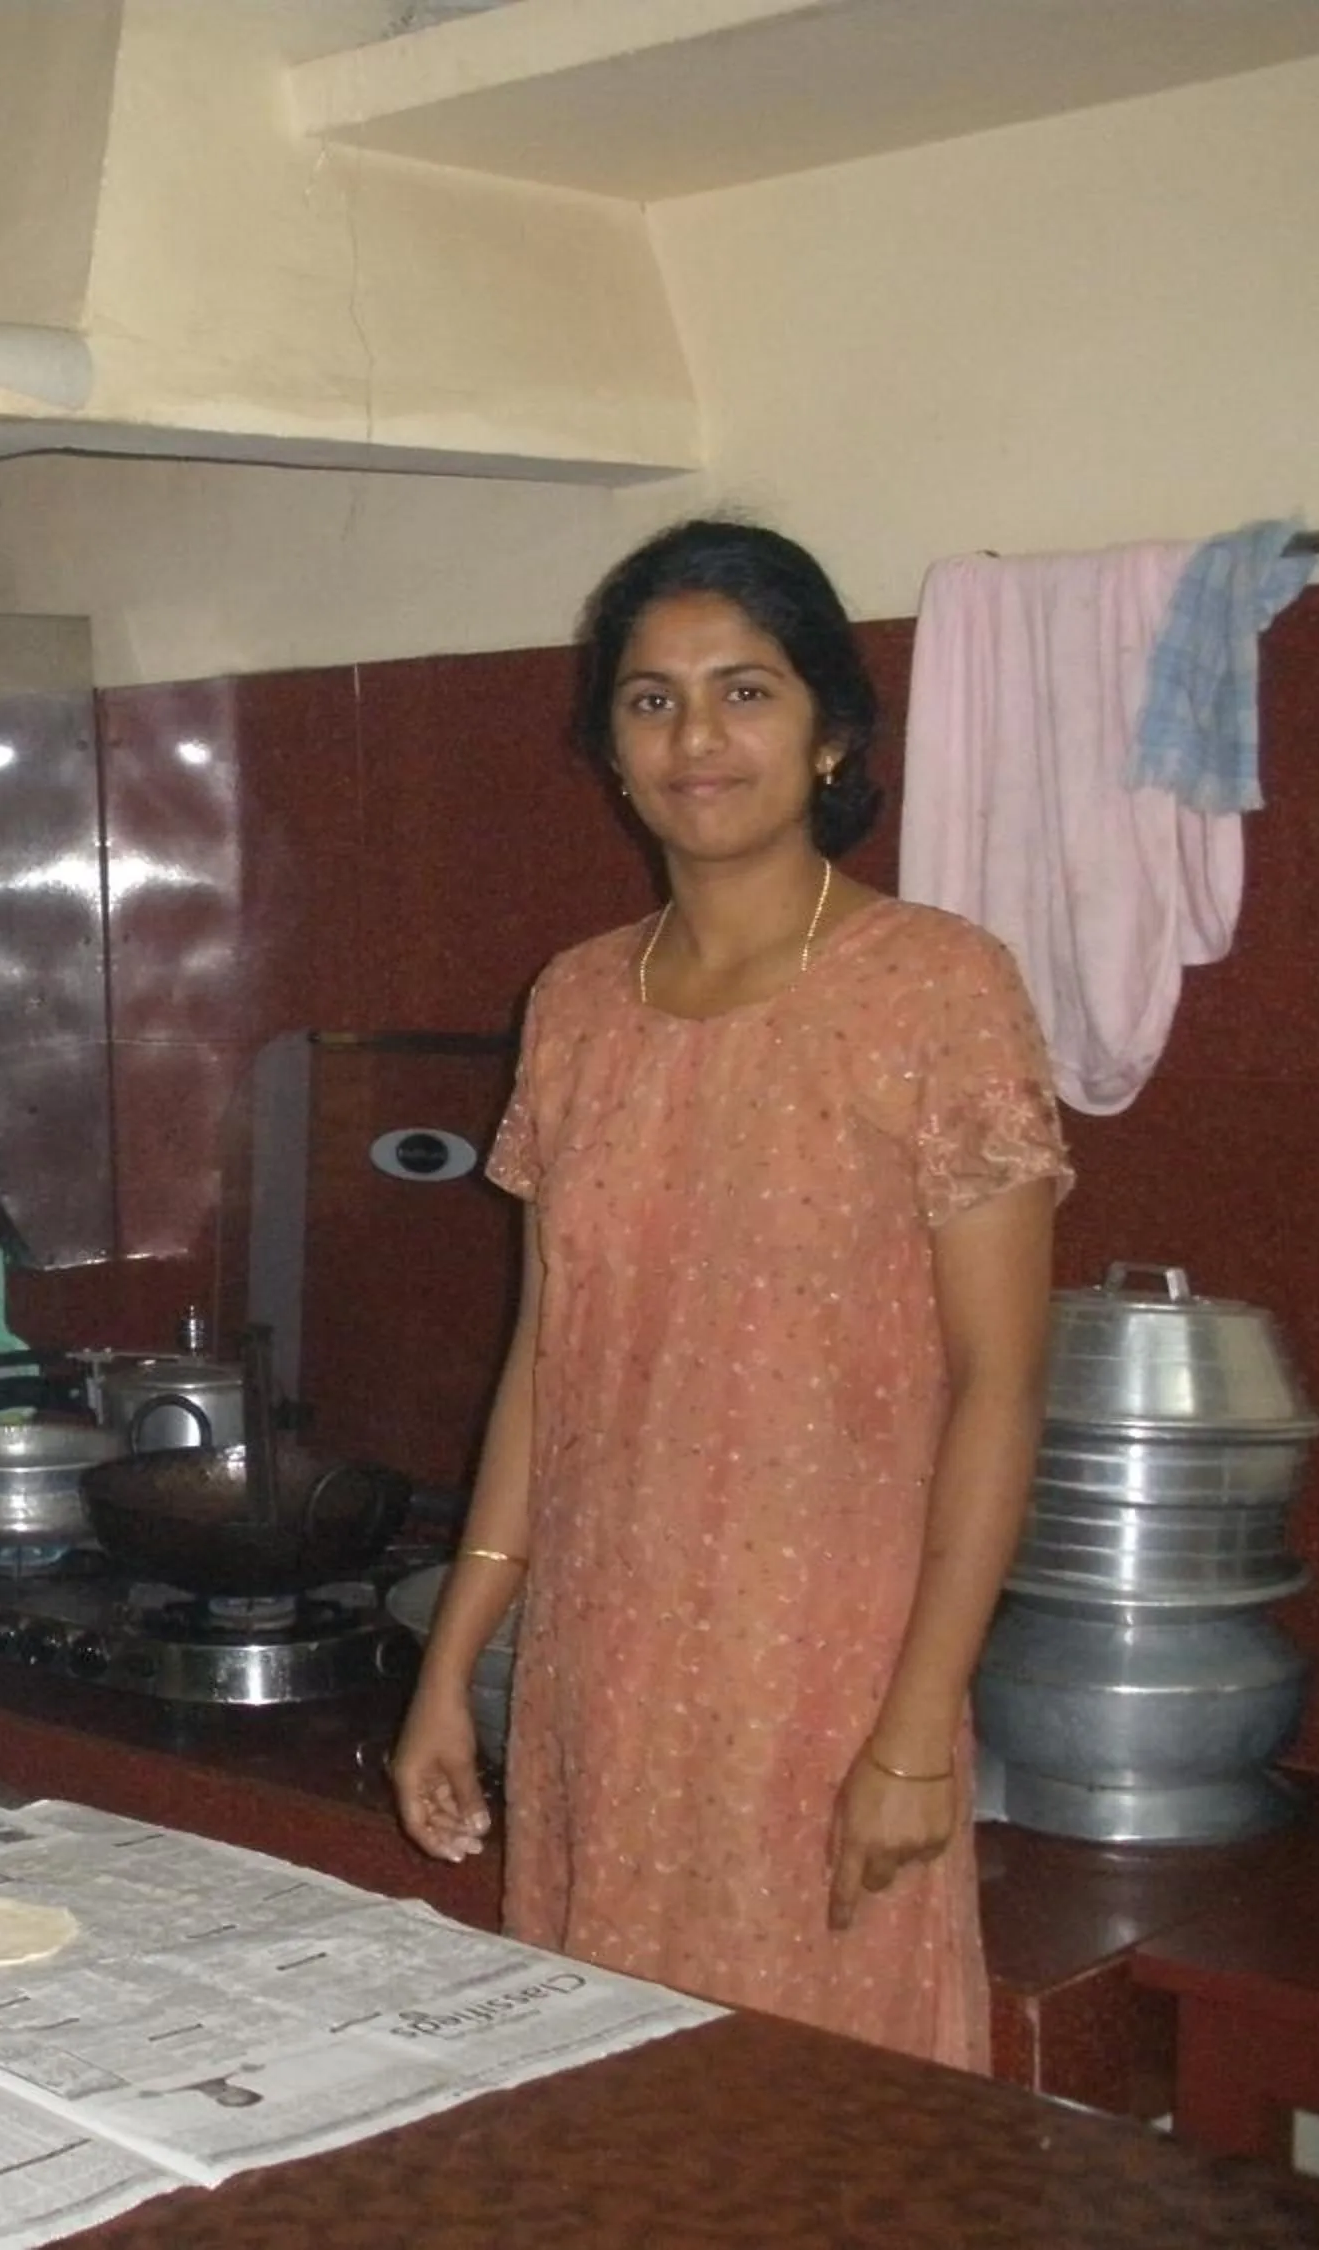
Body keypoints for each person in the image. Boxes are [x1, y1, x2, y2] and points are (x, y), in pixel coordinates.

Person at [387, 520, 1071, 2071]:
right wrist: (455, 1659)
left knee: (818, 2135)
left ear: (831, 730)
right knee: (610, 2129)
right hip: (599, 1690)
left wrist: (914, 1733)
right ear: (611, 751)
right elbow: (551, 1361)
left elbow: (1001, 1387)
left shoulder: (936, 988)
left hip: (825, 1689)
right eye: (651, 701)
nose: (697, 739)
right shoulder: (574, 1004)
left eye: (744, 692)